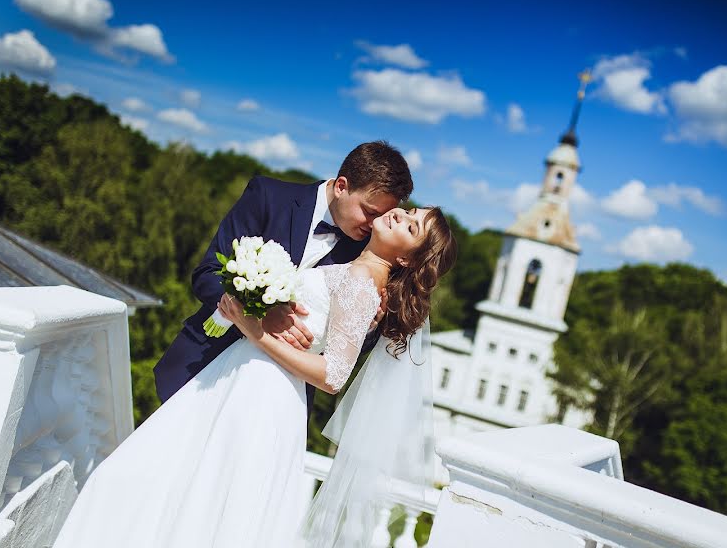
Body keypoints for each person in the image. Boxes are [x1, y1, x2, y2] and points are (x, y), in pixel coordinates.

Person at [53, 206, 457, 547]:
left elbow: (333, 375)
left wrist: (253, 329)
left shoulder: (363, 281)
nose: (400, 214)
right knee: (180, 487)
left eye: (411, 225)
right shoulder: (359, 272)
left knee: (198, 497)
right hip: (243, 380)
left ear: (407, 259)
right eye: (408, 210)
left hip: (263, 392)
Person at [153, 140, 413, 416]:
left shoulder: (369, 252)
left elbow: (340, 360)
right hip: (202, 367)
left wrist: (366, 327)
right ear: (341, 186)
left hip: (276, 398)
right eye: (369, 211)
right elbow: (207, 275)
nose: (374, 224)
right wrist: (262, 314)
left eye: (382, 216)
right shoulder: (268, 196)